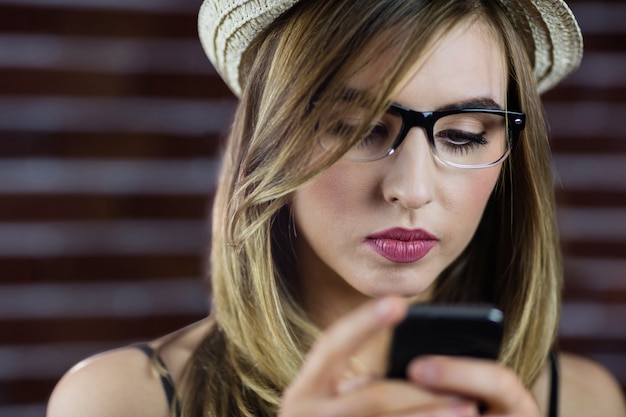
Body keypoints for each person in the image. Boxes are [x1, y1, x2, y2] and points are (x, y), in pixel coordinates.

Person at [47, 0, 626, 416]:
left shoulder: (582, 401)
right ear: (270, 141)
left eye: (465, 135)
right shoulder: (125, 400)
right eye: (358, 129)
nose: (412, 188)